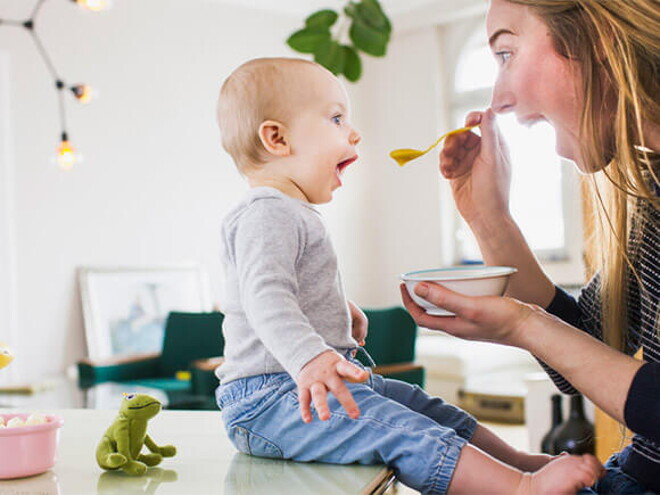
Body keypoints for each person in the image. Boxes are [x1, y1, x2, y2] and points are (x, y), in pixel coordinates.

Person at [214, 56, 603, 494]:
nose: (354, 132)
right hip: (271, 400)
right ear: (277, 138)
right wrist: (311, 357)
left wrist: (335, 309)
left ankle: (516, 461)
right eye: (336, 118)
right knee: (396, 428)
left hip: (300, 386)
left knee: (423, 406)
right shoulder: (266, 212)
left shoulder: (289, 213)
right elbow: (263, 296)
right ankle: (518, 488)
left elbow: (283, 286)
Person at [401, 0, 659, 493]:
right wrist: (489, 217)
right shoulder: (652, 197)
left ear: (596, 37)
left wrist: (525, 325)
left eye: (505, 54)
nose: (498, 98)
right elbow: (593, 347)